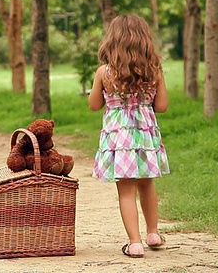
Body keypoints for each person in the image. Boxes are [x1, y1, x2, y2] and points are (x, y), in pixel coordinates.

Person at [88, 14, 170, 258]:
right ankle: (153, 233)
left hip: (119, 138)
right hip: (145, 136)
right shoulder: (154, 71)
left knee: (126, 190)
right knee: (147, 183)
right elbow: (162, 106)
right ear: (144, 41)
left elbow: (93, 105)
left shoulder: (105, 72)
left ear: (112, 41)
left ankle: (135, 243)